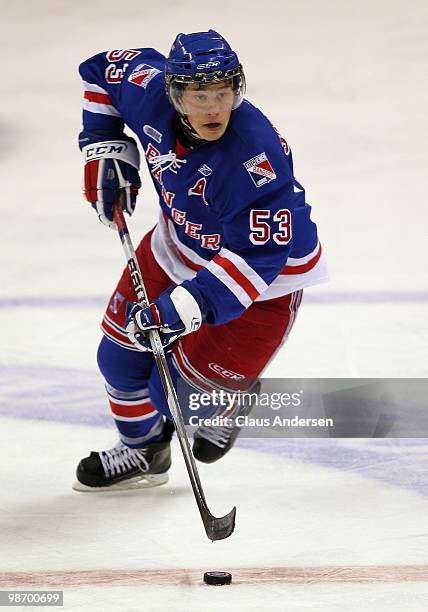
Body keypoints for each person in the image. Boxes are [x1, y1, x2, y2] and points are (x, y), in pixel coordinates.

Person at [73, 30, 328, 492]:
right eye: (200, 94)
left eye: (223, 94)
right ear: (174, 93)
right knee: (119, 359)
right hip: (179, 247)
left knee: (174, 398)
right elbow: (101, 72)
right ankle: (144, 451)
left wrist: (175, 313)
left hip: (263, 286)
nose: (214, 108)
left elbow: (255, 261)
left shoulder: (256, 157)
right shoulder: (149, 91)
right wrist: (104, 146)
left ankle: (232, 397)